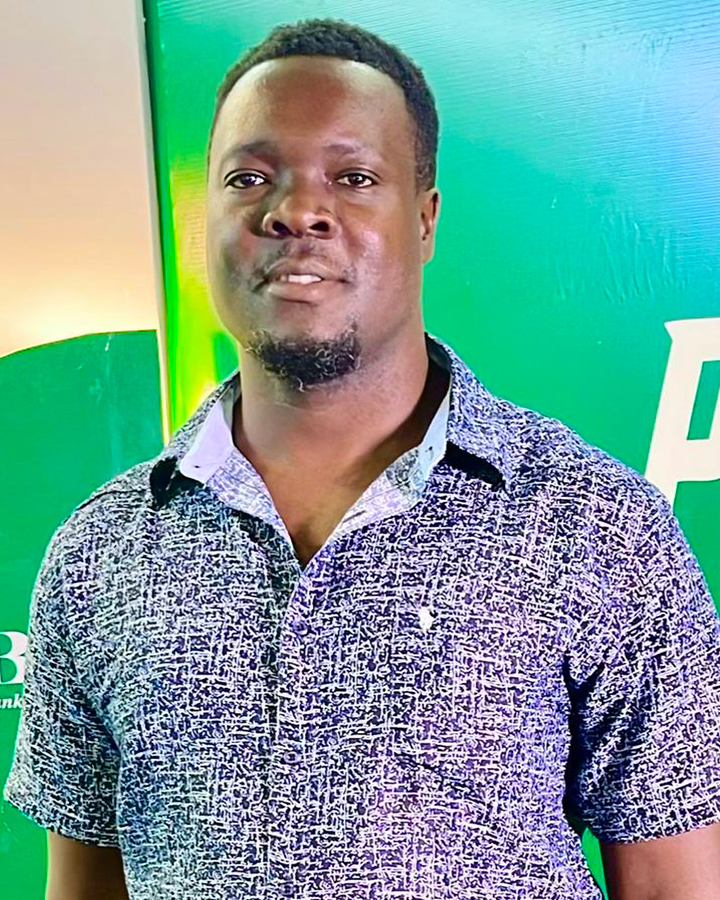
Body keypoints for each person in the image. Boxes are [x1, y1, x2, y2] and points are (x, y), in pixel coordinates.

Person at [4, 17, 720, 900]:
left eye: (353, 177)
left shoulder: (598, 525)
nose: (295, 211)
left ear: (424, 219)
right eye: (249, 177)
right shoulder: (99, 554)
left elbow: (675, 885)